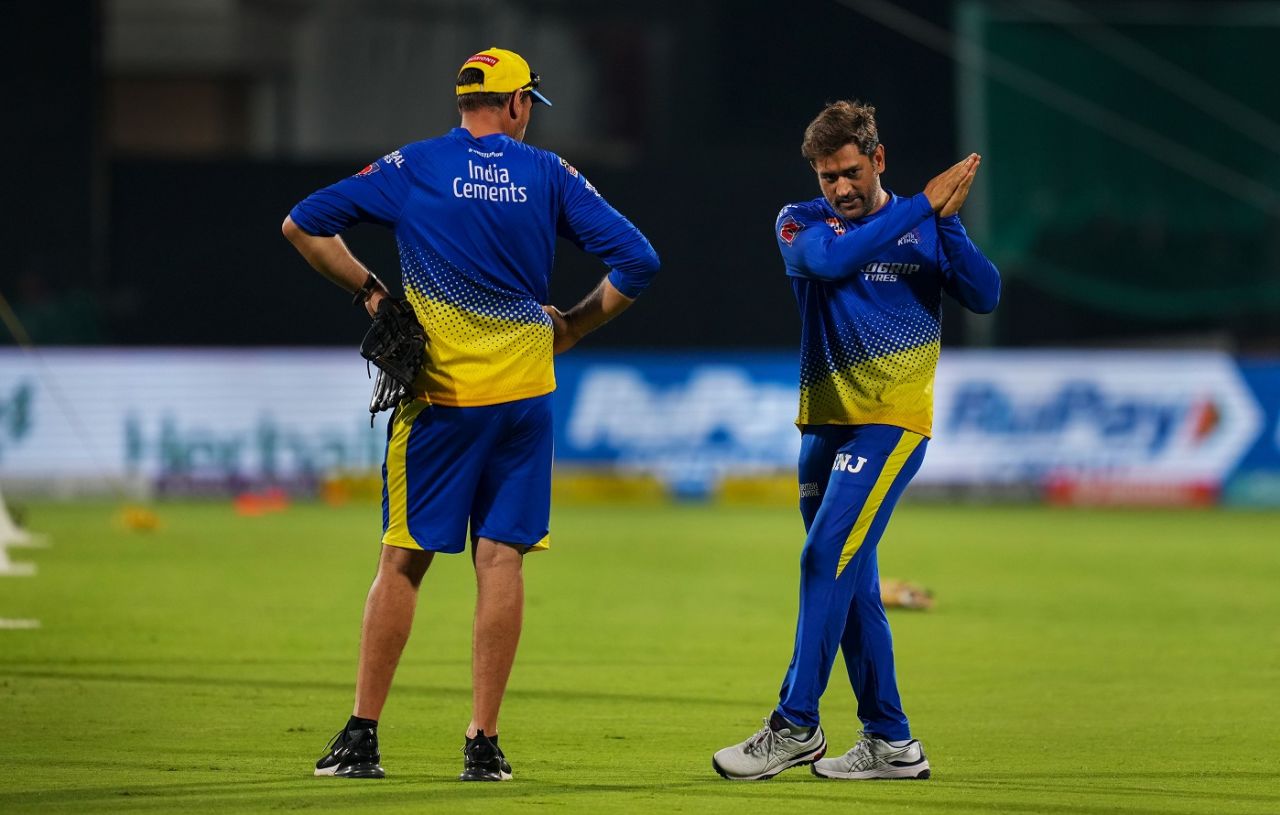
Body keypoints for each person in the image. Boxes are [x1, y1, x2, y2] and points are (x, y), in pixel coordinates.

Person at [282, 47, 659, 782]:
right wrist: (573, 326)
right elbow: (639, 260)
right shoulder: (549, 175)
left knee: (403, 558)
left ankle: (363, 736)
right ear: (518, 104)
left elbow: (302, 225)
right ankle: (482, 743)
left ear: (466, 101)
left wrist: (373, 294)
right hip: (523, 397)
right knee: (501, 558)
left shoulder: (413, 166)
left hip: (439, 400)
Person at [712, 100, 999, 781]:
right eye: (825, 176)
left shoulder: (923, 225)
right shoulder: (800, 222)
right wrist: (923, 206)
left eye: (848, 171)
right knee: (854, 581)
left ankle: (795, 724)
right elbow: (835, 261)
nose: (838, 188)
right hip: (824, 426)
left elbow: (984, 295)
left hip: (892, 421)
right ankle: (891, 740)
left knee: (822, 557)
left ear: (878, 158)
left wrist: (946, 221)